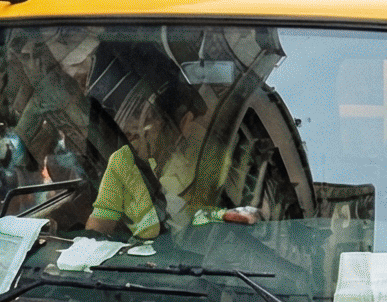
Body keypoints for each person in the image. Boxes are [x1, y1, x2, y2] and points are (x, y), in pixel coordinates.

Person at [83, 52, 262, 241]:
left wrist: (223, 215)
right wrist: (89, 247)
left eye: (147, 118)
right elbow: (102, 219)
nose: (132, 133)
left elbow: (199, 216)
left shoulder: (208, 158)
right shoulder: (123, 161)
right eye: (126, 123)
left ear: (184, 123)